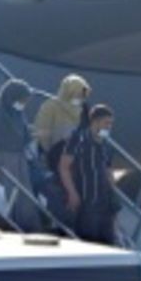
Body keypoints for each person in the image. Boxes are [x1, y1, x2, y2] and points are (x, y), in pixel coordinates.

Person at [0, 79, 40, 230]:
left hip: (19, 161)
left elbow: (24, 135)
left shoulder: (18, 114)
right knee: (8, 196)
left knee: (24, 199)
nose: (24, 103)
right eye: (22, 99)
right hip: (3, 162)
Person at [60, 104, 118, 245]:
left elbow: (108, 170)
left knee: (109, 242)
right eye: (106, 123)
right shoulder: (78, 140)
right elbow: (64, 167)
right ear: (95, 121)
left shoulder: (106, 144)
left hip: (104, 201)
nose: (109, 127)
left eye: (111, 124)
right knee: (89, 242)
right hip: (86, 201)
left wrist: (113, 193)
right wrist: (72, 193)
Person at [34, 73, 91, 162]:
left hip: (77, 156)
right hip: (54, 155)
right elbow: (42, 132)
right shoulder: (50, 107)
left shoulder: (84, 110)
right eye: (78, 94)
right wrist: (48, 152)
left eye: (82, 96)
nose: (80, 98)